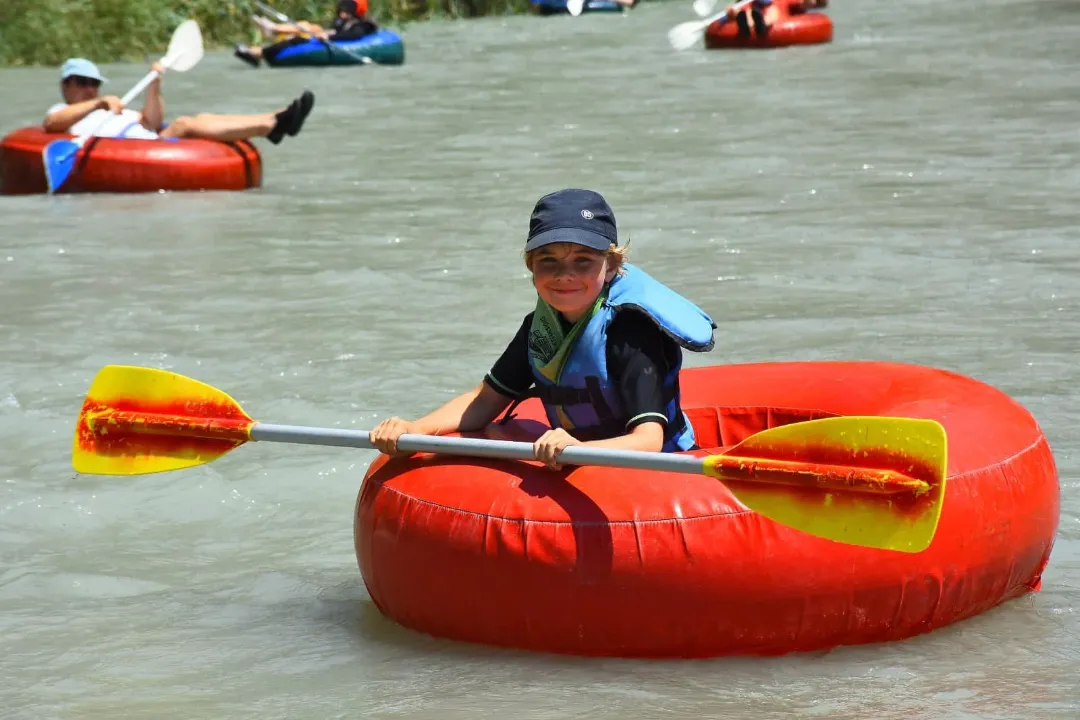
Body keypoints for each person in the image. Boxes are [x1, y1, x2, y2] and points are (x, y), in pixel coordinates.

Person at [369, 189, 717, 469]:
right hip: (576, 457)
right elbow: (485, 400)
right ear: (530, 266)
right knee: (490, 433)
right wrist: (413, 429)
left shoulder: (632, 332)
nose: (564, 274)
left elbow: (648, 440)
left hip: (662, 470)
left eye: (583, 260)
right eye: (548, 260)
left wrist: (579, 448)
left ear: (611, 266)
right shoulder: (540, 328)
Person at [44, 58, 314, 145]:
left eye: (94, 84)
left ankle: (274, 119)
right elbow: (52, 123)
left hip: (147, 138)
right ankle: (272, 124)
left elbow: (152, 121)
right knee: (184, 124)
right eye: (82, 83)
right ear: (65, 86)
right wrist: (98, 103)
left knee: (202, 118)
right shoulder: (63, 111)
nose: (90, 89)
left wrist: (154, 85)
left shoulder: (115, 108)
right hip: (138, 149)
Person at [234, 0, 378, 67]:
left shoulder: (363, 24)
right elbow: (336, 30)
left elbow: (353, 36)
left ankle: (262, 47)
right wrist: (327, 33)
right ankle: (274, 29)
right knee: (307, 26)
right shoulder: (341, 22)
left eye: (347, 11)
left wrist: (329, 36)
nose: (342, 13)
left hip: (336, 42)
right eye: (342, 10)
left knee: (298, 38)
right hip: (323, 38)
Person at [726, 0, 827, 40]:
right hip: (753, 8)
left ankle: (763, 24)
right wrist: (731, 10)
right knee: (745, 11)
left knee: (772, 10)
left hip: (773, 11)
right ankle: (745, 24)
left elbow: (812, 3)